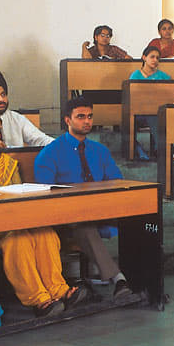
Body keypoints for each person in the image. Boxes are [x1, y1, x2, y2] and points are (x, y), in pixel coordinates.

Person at [0, 110, 88, 317]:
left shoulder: (6, 163)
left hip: (13, 218)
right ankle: (38, 299)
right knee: (18, 241)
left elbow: (17, 194)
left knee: (45, 234)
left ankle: (59, 290)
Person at [34, 98, 136, 299]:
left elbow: (116, 181)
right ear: (67, 120)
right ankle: (118, 279)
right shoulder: (50, 153)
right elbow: (45, 194)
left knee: (142, 221)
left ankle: (142, 278)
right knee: (84, 225)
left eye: (90, 116)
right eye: (80, 117)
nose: (87, 121)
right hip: (67, 217)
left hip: (100, 210)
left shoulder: (99, 150)